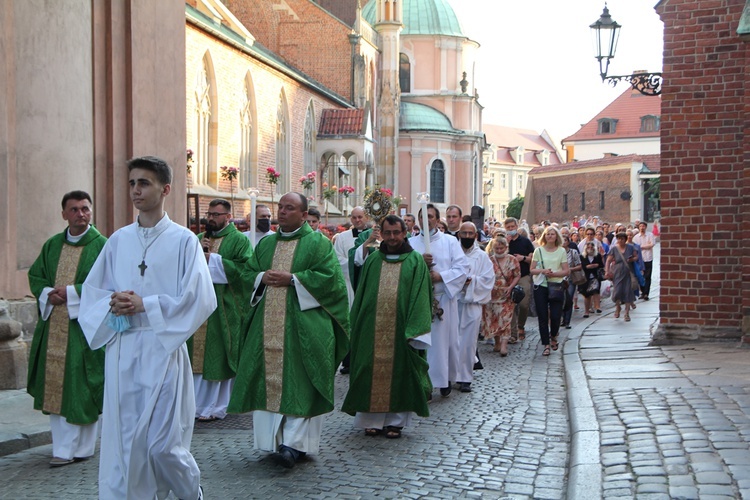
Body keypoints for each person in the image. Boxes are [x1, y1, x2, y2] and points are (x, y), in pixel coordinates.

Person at [80, 156, 216, 500]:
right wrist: (113, 302)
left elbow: (199, 297)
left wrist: (147, 304)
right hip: (123, 348)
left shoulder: (184, 241)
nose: (136, 190)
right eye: (132, 183)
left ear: (165, 189)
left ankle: (191, 493)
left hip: (162, 349)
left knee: (162, 446)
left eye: (144, 183)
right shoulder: (118, 241)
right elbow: (93, 294)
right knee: (124, 443)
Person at [229, 192, 349, 468]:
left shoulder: (318, 244)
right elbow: (247, 274)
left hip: (304, 329)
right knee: (267, 381)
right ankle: (273, 441)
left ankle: (293, 445)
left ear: (304, 214)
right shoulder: (266, 244)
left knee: (302, 382)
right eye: (280, 207)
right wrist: (261, 277)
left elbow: (332, 282)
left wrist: (294, 279)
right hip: (265, 327)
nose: (282, 212)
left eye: (290, 208)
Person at [27, 190, 107, 467]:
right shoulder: (51, 245)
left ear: (91, 211)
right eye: (74, 209)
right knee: (58, 389)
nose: (80, 214)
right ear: (64, 214)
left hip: (85, 330)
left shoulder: (102, 246)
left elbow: (108, 283)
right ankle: (62, 448)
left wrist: (73, 293)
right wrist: (48, 292)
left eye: (85, 208)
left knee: (82, 386)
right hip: (54, 329)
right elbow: (35, 275)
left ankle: (84, 447)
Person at [341, 215, 432, 438]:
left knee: (401, 372)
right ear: (381, 233)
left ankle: (395, 422)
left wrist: (415, 329)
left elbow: (422, 297)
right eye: (388, 233)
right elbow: (361, 295)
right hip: (371, 329)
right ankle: (370, 419)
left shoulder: (415, 261)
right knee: (368, 369)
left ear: (404, 233)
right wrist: (357, 326)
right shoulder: (373, 261)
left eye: (396, 233)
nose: (392, 238)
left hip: (402, 330)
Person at [191, 199, 251, 422]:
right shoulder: (198, 239)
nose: (211, 218)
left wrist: (212, 259)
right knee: (194, 357)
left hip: (224, 308)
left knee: (217, 355)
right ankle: (194, 404)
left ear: (228, 216)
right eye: (210, 213)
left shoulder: (238, 241)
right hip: (198, 306)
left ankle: (216, 405)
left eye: (217, 214)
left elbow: (245, 271)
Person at [409, 204, 469, 397]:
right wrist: (419, 264)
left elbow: (462, 268)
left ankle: (444, 380)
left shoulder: (450, 242)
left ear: (436, 219)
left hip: (442, 300)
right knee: (423, 342)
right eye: (422, 217)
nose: (426, 220)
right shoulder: (410, 244)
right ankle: (424, 382)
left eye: (430, 216)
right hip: (419, 301)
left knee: (444, 344)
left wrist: (440, 276)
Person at [455, 222, 495, 391]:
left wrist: (471, 281)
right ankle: (450, 375)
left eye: (470, 234)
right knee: (451, 341)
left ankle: (465, 377)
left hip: (472, 304)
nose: (467, 237)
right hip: (453, 303)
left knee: (468, 342)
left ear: (476, 236)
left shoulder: (482, 257)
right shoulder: (453, 252)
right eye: (464, 233)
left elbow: (488, 280)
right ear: (459, 235)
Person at [530, 226, 569, 357]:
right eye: (547, 234)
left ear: (556, 236)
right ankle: (546, 344)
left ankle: (553, 336)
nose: (550, 236)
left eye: (552, 234)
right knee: (542, 316)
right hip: (541, 285)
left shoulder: (561, 251)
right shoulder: (538, 251)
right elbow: (532, 269)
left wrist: (555, 274)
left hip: (556, 285)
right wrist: (543, 271)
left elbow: (566, 270)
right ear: (544, 237)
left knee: (556, 316)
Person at [482, 236, 520, 357]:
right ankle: (497, 342)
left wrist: (511, 287)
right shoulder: (490, 260)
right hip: (492, 295)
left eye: (501, 248)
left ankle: (504, 345)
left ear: (506, 247)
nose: (499, 250)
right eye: (496, 248)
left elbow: (517, 275)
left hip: (506, 294)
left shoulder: (512, 260)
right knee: (494, 319)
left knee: (505, 320)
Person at [504, 217, 535, 343]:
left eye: (513, 226)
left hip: (523, 275)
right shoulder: (504, 241)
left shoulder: (526, 241)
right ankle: (513, 333)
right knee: (511, 306)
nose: (511, 229)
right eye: (508, 227)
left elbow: (533, 259)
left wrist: (522, 258)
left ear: (517, 226)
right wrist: (506, 243)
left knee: (523, 304)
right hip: (508, 278)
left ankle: (521, 325)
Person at [606, 232, 639, 322]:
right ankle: (618, 307)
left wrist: (632, 259)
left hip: (628, 272)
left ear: (625, 239)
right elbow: (608, 260)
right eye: (619, 239)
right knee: (617, 292)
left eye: (622, 239)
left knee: (628, 292)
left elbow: (636, 256)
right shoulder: (614, 249)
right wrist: (607, 271)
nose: (620, 241)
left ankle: (627, 313)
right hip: (617, 273)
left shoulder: (630, 248)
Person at [560, 235, 582, 329]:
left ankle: (567, 320)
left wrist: (570, 269)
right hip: (559, 279)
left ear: (568, 242)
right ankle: (561, 319)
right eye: (561, 240)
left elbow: (579, 266)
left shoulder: (573, 252)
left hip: (570, 279)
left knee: (569, 299)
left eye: (565, 240)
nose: (563, 242)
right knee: (560, 299)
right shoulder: (557, 253)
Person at [579, 242, 604, 318]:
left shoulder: (597, 256)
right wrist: (589, 266)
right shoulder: (582, 256)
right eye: (588, 247)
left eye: (591, 247)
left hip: (595, 277)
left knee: (596, 291)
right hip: (585, 278)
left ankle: (597, 307)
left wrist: (595, 265)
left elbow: (601, 265)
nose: (590, 249)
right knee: (587, 295)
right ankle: (587, 311)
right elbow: (582, 266)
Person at [632, 222, 655, 300]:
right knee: (640, 276)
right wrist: (646, 246)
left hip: (648, 258)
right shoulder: (635, 237)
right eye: (640, 226)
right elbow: (635, 247)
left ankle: (646, 293)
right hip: (639, 259)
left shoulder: (650, 235)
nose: (642, 227)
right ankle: (642, 291)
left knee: (647, 276)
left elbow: (652, 244)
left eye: (643, 226)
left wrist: (641, 247)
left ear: (646, 227)